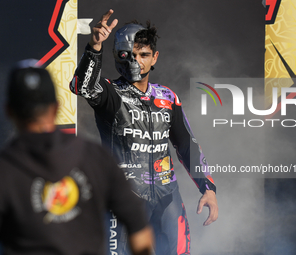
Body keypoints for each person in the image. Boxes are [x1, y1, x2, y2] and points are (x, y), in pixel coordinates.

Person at [70, 9, 218, 255]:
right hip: (123, 199)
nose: (135, 61)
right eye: (129, 54)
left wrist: (208, 188)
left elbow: (186, 145)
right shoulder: (110, 92)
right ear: (119, 55)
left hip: (167, 197)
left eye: (143, 54)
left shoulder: (168, 97)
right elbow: (81, 86)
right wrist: (95, 46)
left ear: (155, 57)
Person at [0, 59, 153, 255]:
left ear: (9, 111)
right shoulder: (96, 157)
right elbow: (138, 228)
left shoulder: (5, 169)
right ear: (56, 108)